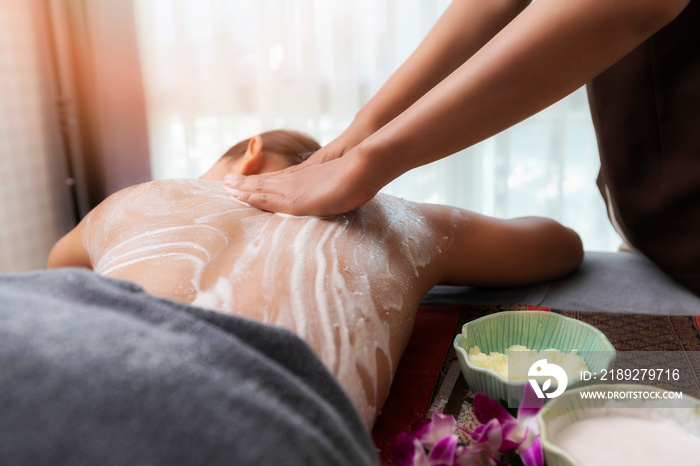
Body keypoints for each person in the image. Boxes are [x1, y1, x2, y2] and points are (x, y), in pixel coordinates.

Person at [47, 129, 583, 432]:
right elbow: (559, 244)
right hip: (268, 431)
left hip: (74, 389)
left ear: (249, 152)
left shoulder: (136, 200)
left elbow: (57, 276)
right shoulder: (398, 216)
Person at [223, 0, 699, 296]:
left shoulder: (156, 203)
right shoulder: (384, 228)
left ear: (253, 159)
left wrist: (369, 156)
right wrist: (362, 135)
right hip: (659, 228)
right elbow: (560, 244)